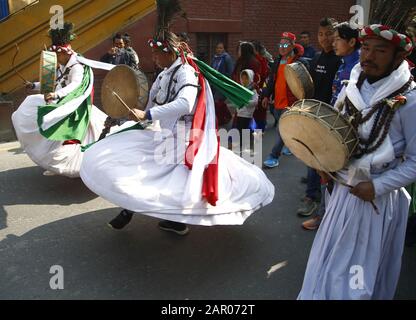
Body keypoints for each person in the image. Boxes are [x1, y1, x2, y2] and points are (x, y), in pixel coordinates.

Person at [79, 0, 274, 235]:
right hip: (164, 133)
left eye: (156, 52)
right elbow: (151, 104)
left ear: (169, 52)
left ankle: (170, 219)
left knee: (163, 182)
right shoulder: (163, 75)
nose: (153, 56)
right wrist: (132, 119)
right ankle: (133, 210)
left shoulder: (185, 73)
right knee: (129, 161)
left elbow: (185, 103)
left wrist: (149, 114)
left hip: (185, 138)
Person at [299, 24, 416, 300]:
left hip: (374, 200)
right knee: (329, 262)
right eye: (365, 48)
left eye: (380, 50)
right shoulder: (352, 85)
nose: (369, 56)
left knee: (355, 278)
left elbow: (414, 161)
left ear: (398, 57)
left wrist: (377, 187)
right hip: (342, 192)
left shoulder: (409, 100)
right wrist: (322, 160)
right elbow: (334, 131)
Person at [11, 22, 115, 178]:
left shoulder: (77, 66)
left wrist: (57, 95)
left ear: (64, 53)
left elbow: (75, 85)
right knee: (40, 115)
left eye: (57, 55)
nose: (56, 59)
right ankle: (56, 165)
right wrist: (33, 85)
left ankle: (81, 167)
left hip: (74, 107)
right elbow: (53, 83)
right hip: (60, 104)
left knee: (70, 140)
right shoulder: (61, 65)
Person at [303, 22, 361, 230]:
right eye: (331, 37)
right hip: (332, 123)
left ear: (352, 41)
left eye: (337, 38)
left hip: (347, 131)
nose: (332, 42)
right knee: (327, 173)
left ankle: (326, 217)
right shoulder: (345, 62)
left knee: (335, 175)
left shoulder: (358, 65)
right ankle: (328, 216)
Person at [296, 18, 341, 218]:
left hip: (331, 119)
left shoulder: (340, 60)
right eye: (321, 34)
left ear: (336, 35)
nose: (324, 38)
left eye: (329, 34)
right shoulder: (316, 58)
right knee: (312, 157)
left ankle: (318, 200)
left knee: (323, 162)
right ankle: (312, 195)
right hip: (314, 115)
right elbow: (309, 87)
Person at [262, 32, 306, 169]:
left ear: (292, 45)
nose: (282, 47)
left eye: (285, 44)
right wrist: (266, 95)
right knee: (285, 128)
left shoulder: (299, 62)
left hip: (291, 102)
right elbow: (272, 82)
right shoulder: (277, 61)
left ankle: (273, 156)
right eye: (280, 44)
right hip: (277, 102)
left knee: (283, 130)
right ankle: (292, 144)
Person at [226, 69, 258, 152]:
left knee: (244, 129)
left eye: (246, 79)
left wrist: (245, 102)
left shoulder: (252, 90)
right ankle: (238, 144)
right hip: (240, 113)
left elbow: (255, 101)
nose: (244, 81)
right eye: (243, 78)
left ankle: (244, 145)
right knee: (239, 129)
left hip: (247, 114)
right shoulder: (241, 89)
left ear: (250, 78)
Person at [211, 42, 235, 127]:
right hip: (214, 84)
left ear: (224, 49)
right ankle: (225, 116)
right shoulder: (214, 58)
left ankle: (223, 118)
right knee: (217, 102)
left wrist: (225, 80)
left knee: (218, 101)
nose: (219, 50)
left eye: (221, 48)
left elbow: (231, 71)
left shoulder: (226, 58)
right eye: (217, 48)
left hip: (222, 84)